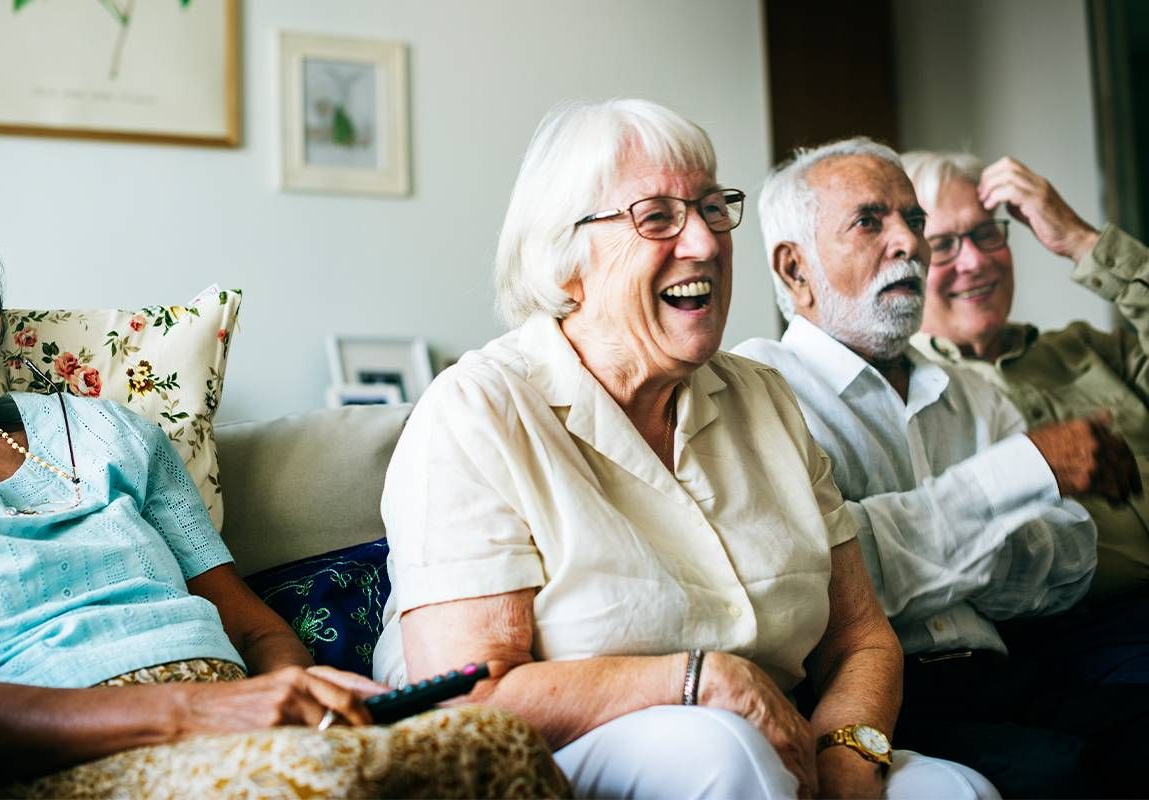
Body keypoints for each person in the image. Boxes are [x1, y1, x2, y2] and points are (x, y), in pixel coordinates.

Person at [372, 99, 994, 800]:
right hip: (572, 759)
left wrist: (849, 751)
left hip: (779, 741)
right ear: (566, 257)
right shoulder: (478, 411)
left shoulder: (764, 398)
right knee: (720, 751)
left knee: (956, 790)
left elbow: (861, 639)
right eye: (658, 217)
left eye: (711, 208)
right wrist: (701, 680)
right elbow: (467, 698)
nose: (705, 242)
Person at [0, 205, 569, 798]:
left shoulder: (105, 430)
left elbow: (256, 629)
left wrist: (293, 697)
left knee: (495, 739)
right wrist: (202, 711)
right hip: (72, 756)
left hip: (242, 716)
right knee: (308, 784)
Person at [734, 137, 1145, 797]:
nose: (910, 243)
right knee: (1057, 775)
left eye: (914, 220)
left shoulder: (973, 394)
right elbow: (828, 581)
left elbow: (1070, 560)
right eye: (871, 222)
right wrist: (1017, 479)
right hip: (879, 699)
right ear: (794, 269)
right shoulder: (758, 388)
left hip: (1012, 669)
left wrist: (925, 545)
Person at [902, 151, 1149, 603]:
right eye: (942, 245)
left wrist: (1081, 240)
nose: (975, 261)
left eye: (986, 233)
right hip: (1083, 642)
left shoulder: (1089, 349)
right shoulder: (907, 396)